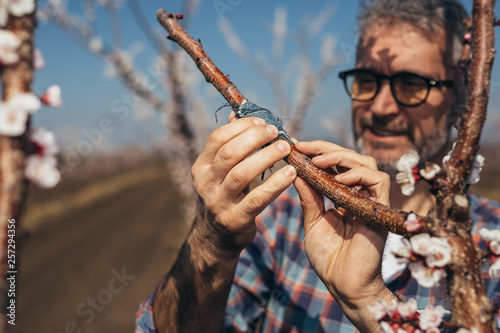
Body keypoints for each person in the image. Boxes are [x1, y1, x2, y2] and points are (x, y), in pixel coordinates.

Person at [136, 0, 500, 332]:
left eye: (410, 84)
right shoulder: (280, 222)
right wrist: (211, 245)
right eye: (367, 80)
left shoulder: (491, 249)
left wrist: (371, 303)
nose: (381, 107)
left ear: (461, 97)